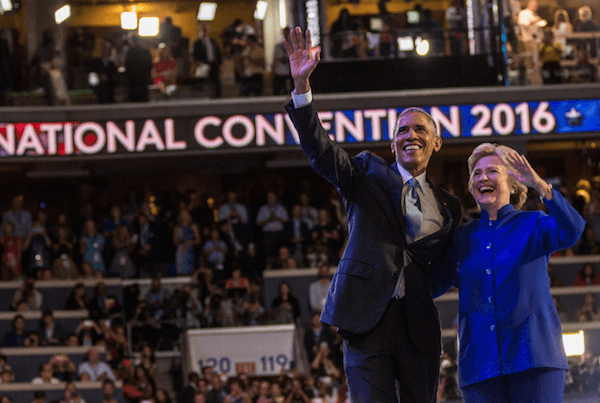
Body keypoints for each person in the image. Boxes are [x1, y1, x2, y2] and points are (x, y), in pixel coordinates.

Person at [283, 27, 462, 403]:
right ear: (392, 142)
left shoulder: (449, 206)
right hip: (366, 318)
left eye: (420, 129)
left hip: (418, 325)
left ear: (436, 142)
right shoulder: (366, 173)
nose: (410, 135)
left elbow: (445, 267)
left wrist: (419, 288)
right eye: (402, 130)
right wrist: (301, 87)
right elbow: (320, 151)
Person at [432, 143, 585, 402]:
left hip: (536, 360)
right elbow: (435, 285)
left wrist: (540, 185)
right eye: (477, 174)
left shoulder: (533, 223)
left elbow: (572, 230)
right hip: (480, 368)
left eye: (492, 171)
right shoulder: (460, 238)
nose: (483, 178)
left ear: (513, 185)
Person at [193, 23, 223, 99]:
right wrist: (196, 61)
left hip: (213, 63)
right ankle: (199, 96)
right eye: (203, 30)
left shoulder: (213, 41)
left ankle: (217, 97)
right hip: (202, 64)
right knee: (201, 81)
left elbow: (218, 53)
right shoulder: (197, 43)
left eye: (206, 30)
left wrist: (220, 64)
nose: (205, 31)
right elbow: (194, 54)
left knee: (216, 81)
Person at [124, 35, 153, 102]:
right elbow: (149, 65)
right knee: (143, 101)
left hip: (133, 81)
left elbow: (127, 66)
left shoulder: (130, 51)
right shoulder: (146, 51)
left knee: (134, 102)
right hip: (143, 80)